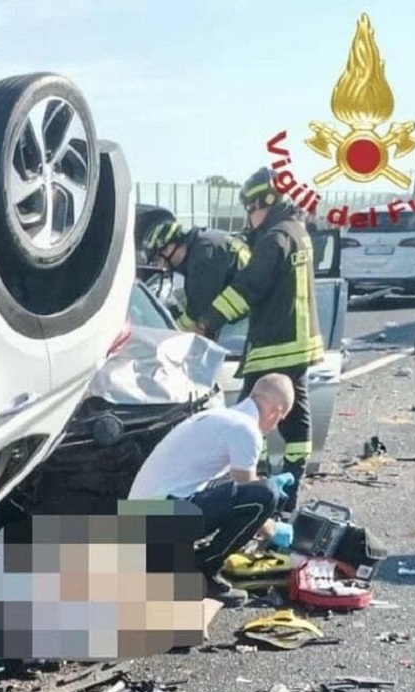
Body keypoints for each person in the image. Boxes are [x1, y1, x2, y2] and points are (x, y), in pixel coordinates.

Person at [192, 167, 324, 509]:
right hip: (297, 342)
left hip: (274, 345)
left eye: (252, 208)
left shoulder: (275, 237)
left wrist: (209, 320)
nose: (249, 216)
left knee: (248, 415)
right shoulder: (297, 231)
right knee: (296, 419)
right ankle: (288, 489)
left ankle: (256, 492)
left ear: (267, 202)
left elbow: (248, 288)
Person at [128, 374, 297, 606]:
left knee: (260, 490)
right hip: (158, 517)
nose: (275, 426)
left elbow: (229, 484)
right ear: (275, 411)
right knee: (265, 495)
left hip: (143, 513)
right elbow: (252, 495)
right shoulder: (246, 429)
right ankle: (203, 571)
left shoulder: (219, 416)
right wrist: (273, 529)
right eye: (280, 420)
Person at [141, 220, 252, 335]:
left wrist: (170, 332)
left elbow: (197, 313)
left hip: (244, 319)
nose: (160, 265)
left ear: (169, 248)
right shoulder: (201, 245)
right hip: (245, 312)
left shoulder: (203, 257)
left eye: (157, 259)